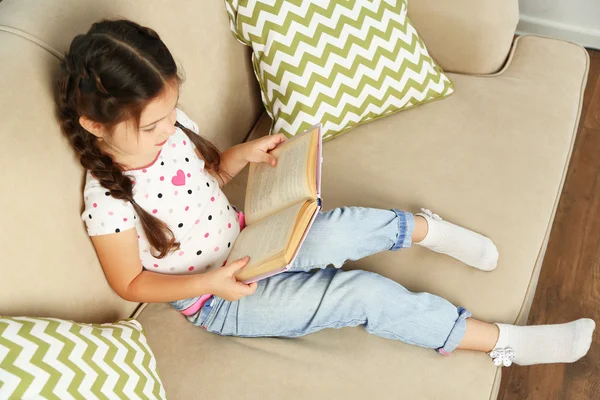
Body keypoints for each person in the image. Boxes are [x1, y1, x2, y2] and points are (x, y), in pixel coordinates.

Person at [56, 19, 595, 368]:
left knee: (347, 223)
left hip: (255, 240)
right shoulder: (107, 202)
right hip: (222, 299)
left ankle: (426, 229)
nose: (170, 129)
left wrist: (239, 158)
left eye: (173, 113)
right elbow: (129, 281)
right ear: (96, 125)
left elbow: (204, 177)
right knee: (362, 295)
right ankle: (503, 343)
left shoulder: (171, 129)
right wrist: (212, 283)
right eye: (153, 126)